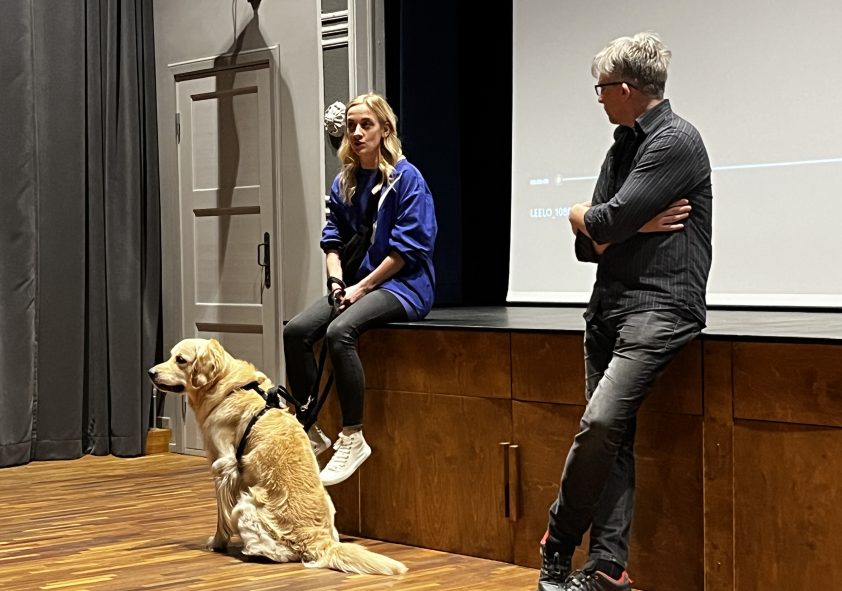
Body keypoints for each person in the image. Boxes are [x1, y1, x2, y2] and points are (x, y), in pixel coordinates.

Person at [537, 32, 713, 591]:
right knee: (611, 437)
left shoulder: (676, 141)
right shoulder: (621, 146)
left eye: (602, 88)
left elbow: (601, 223)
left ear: (627, 89)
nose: (598, 97)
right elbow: (587, 246)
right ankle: (608, 568)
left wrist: (584, 214)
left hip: (660, 307)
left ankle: (558, 540)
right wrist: (620, 224)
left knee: (602, 422)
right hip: (608, 306)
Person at [283, 92, 437, 487]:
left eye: (366, 124)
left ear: (385, 129)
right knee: (296, 331)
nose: (356, 132)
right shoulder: (346, 181)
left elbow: (406, 251)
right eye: (351, 126)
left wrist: (361, 289)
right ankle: (310, 425)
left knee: (340, 331)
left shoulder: (407, 178)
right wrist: (337, 281)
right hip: (356, 283)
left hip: (404, 285)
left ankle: (353, 437)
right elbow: (332, 240)